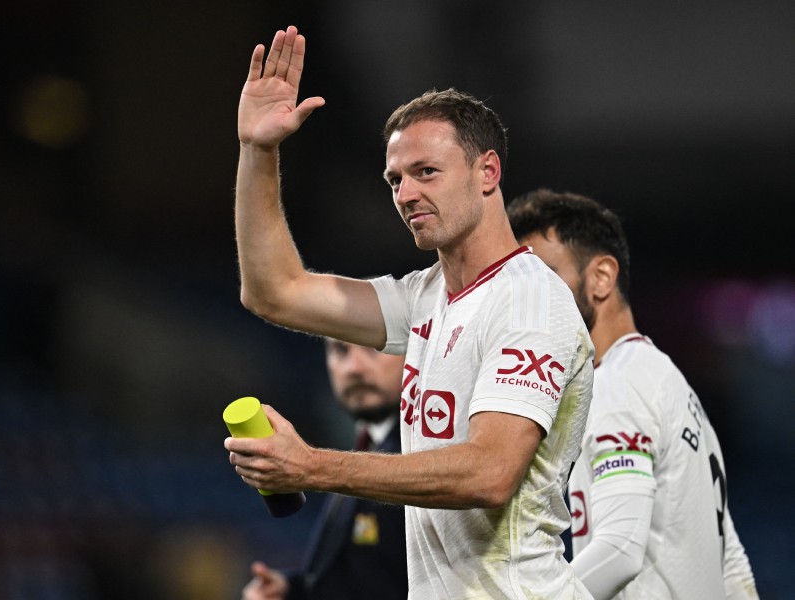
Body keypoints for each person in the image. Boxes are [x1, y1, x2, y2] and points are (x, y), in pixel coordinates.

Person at [227, 25, 594, 599]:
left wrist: (310, 467)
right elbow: (273, 291)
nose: (405, 194)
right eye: (395, 179)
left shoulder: (529, 301)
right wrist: (258, 148)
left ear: (488, 172)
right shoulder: (425, 297)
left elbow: (489, 473)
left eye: (427, 172)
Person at [507, 189, 759, 599]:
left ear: (601, 278)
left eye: (544, 275)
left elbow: (620, 549)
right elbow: (731, 563)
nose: (528, 298)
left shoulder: (619, 381)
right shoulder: (668, 383)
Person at [242, 340, 408, 600]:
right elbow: (371, 578)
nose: (354, 367)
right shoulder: (365, 445)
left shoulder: (427, 456)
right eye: (340, 351)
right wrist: (291, 590)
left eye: (374, 348)